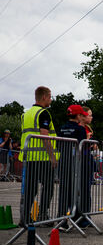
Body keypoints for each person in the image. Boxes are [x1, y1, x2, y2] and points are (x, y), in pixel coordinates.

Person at [19, 86, 58, 226]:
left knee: (30, 188)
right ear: (43, 97)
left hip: (28, 157)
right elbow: (44, 136)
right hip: (42, 158)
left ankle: (25, 217)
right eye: (50, 96)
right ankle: (42, 215)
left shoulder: (26, 114)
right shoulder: (43, 113)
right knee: (48, 187)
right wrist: (52, 156)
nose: (51, 99)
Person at [57, 105, 89, 228]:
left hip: (63, 162)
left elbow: (59, 145)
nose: (82, 117)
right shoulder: (80, 130)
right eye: (82, 115)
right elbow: (82, 147)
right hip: (75, 163)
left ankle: (62, 220)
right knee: (76, 191)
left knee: (64, 191)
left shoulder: (62, 128)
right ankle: (77, 219)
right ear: (78, 116)